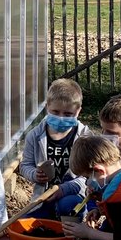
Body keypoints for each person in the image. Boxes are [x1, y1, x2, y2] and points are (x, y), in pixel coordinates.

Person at [19, 78, 93, 218]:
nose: (61, 118)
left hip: (72, 194)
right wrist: (34, 174)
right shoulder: (34, 136)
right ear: (47, 107)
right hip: (43, 197)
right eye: (55, 112)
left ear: (78, 111)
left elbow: (89, 175)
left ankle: (72, 227)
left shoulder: (85, 137)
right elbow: (25, 165)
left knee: (68, 205)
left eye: (68, 114)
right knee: (27, 223)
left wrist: (63, 189)